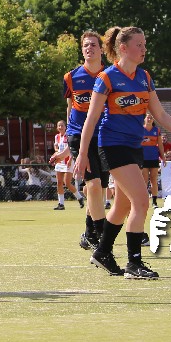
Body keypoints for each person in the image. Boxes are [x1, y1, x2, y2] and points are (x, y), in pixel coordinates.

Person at [73, 26, 171, 279]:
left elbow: (160, 114)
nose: (144, 49)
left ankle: (102, 252)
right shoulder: (107, 77)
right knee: (141, 201)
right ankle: (134, 263)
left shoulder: (144, 77)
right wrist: (82, 153)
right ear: (123, 48)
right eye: (139, 44)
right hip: (112, 146)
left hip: (134, 147)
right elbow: (91, 118)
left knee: (122, 205)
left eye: (144, 44)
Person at [64, 31, 108, 250]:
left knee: (101, 188)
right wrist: (67, 144)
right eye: (85, 45)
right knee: (93, 184)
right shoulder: (71, 77)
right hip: (79, 135)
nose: (89, 48)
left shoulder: (109, 76)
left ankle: (89, 233)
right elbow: (70, 108)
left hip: (104, 136)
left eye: (93, 45)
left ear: (101, 49)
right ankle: (102, 238)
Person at [47, 120, 80, 210]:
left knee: (67, 183)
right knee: (59, 182)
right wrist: (57, 153)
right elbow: (56, 147)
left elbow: (71, 149)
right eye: (59, 126)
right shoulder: (57, 136)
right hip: (59, 161)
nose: (60, 127)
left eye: (62, 125)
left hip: (68, 161)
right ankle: (61, 204)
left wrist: (70, 160)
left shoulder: (68, 136)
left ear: (65, 127)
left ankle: (79, 197)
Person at [140, 112, 164, 206]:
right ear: (144, 119)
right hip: (143, 158)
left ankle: (154, 201)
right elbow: (136, 142)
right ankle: (144, 201)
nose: (149, 119)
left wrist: (163, 157)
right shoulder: (140, 129)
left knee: (154, 179)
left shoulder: (156, 130)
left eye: (151, 118)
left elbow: (160, 145)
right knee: (144, 180)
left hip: (154, 157)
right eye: (148, 118)